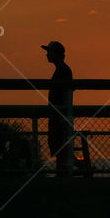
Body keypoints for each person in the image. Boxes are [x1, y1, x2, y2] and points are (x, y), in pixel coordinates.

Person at [42, 41, 74, 175]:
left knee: (60, 145)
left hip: (59, 115)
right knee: (57, 146)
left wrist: (65, 115)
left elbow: (67, 94)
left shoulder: (64, 70)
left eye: (49, 52)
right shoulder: (62, 70)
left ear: (56, 54)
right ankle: (62, 172)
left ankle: (64, 172)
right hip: (58, 114)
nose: (46, 54)